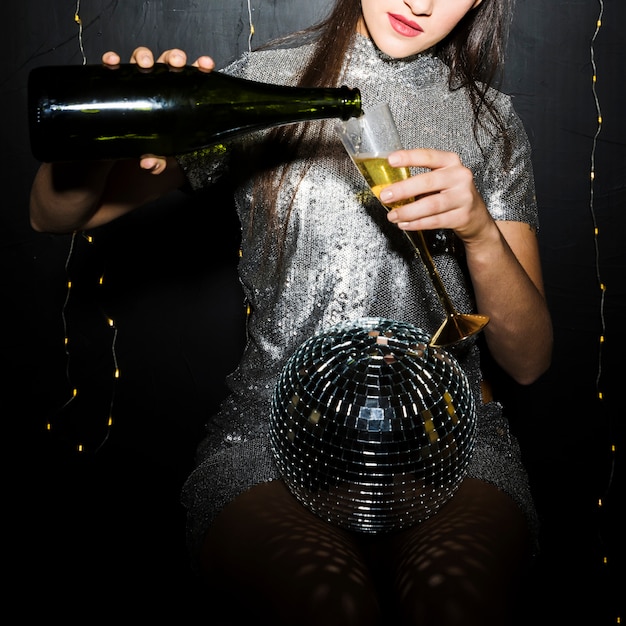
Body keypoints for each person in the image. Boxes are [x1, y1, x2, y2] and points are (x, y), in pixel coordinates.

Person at [30, 0, 553, 624]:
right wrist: (106, 133)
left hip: (450, 448)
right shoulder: (268, 83)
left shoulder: (489, 121)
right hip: (274, 443)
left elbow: (528, 365)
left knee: (455, 602)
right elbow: (55, 214)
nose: (420, 1)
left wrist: (480, 233)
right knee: (328, 604)